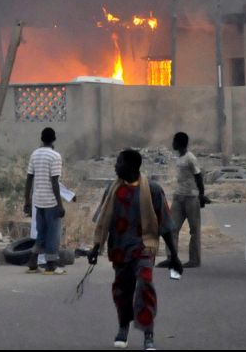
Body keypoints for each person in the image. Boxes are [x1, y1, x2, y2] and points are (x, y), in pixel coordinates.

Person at [88, 149, 182, 351]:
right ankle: (123, 327)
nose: (115, 166)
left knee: (145, 285)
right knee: (123, 291)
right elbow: (103, 222)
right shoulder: (112, 190)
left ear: (131, 167)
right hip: (120, 248)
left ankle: (148, 333)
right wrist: (96, 248)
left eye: (119, 162)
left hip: (144, 247)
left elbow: (165, 226)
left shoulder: (153, 191)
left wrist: (174, 255)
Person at [157, 132, 207, 269]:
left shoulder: (190, 158)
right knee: (171, 228)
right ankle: (171, 257)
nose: (172, 143)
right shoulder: (179, 158)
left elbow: (198, 177)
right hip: (178, 197)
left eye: (174, 141)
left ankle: (194, 260)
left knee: (194, 230)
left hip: (191, 198)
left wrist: (201, 196)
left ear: (179, 143)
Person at [23, 127, 66, 275]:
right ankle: (50, 264)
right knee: (53, 233)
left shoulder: (34, 154)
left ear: (41, 139)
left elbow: (29, 178)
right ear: (54, 139)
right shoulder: (55, 156)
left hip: (37, 200)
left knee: (41, 232)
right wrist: (60, 204)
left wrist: (27, 201)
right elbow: (54, 182)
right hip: (51, 202)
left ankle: (33, 260)